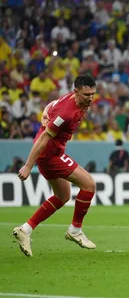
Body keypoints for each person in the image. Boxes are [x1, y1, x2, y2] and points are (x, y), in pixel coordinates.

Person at [13, 74, 98, 257]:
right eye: (86, 95)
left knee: (63, 196)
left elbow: (51, 105)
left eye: (92, 94)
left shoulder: (71, 99)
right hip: (50, 155)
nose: (90, 98)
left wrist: (44, 114)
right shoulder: (66, 113)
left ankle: (25, 230)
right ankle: (75, 230)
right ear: (76, 92)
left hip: (51, 153)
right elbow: (44, 138)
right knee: (89, 185)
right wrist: (29, 165)